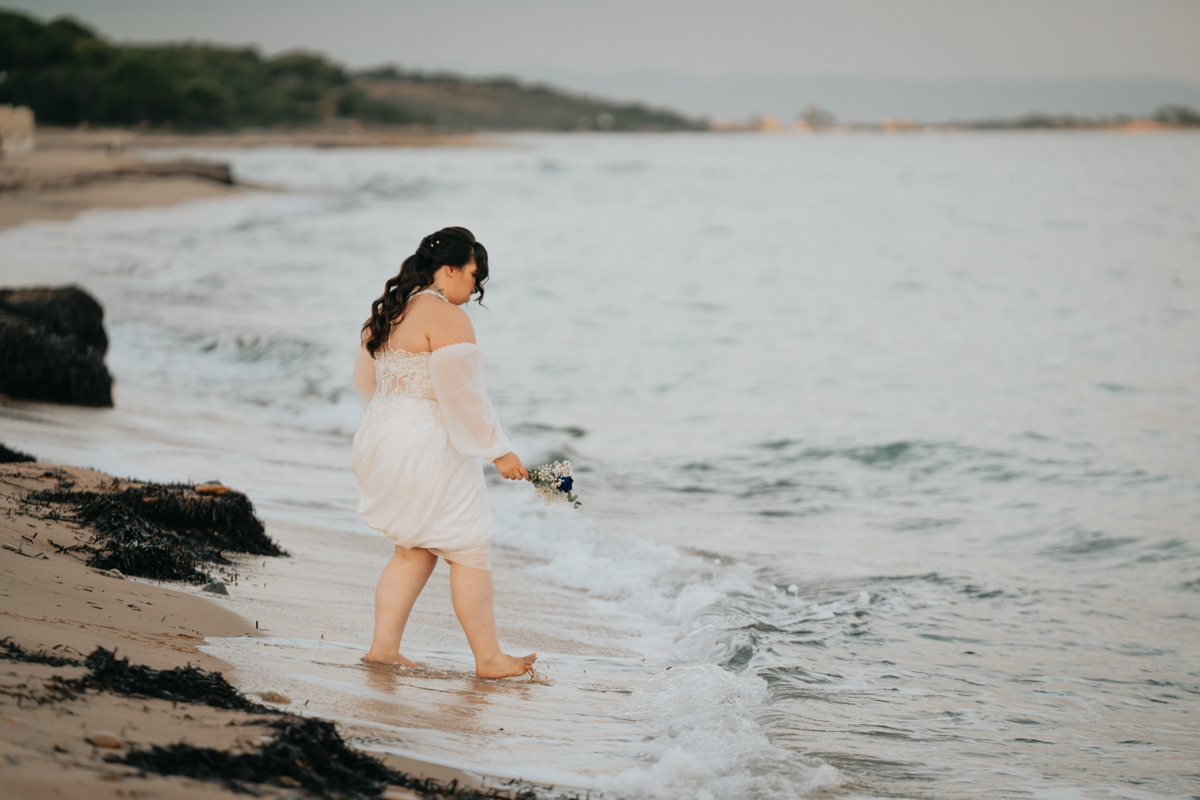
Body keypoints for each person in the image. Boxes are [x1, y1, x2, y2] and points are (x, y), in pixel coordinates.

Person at [351, 226, 536, 679]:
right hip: (428, 444)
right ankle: (489, 660)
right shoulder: (447, 317)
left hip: (383, 436)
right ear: (450, 269)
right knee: (469, 546)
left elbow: (364, 380)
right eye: (474, 275)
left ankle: (383, 649)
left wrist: (390, 421)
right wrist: (499, 451)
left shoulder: (392, 311)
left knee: (412, 550)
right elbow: (464, 395)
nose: (476, 287)